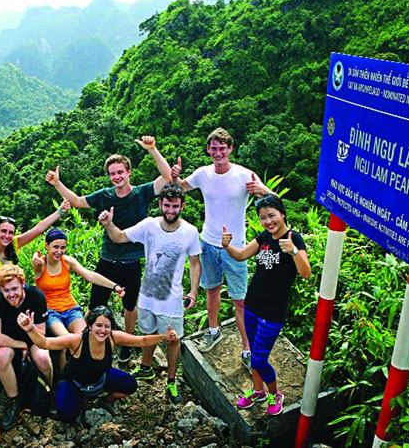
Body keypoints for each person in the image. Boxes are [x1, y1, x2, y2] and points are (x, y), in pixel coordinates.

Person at [46, 135, 173, 362]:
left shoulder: (141, 193)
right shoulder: (104, 196)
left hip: (132, 260)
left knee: (129, 304)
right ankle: (83, 339)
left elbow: (167, 177)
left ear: (129, 172)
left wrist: (152, 149)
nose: (116, 177)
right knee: (96, 304)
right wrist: (57, 184)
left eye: (120, 172)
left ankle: (126, 342)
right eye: (112, 173)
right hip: (107, 259)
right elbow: (76, 200)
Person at [171, 127, 272, 369]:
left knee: (241, 301)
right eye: (214, 148)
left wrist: (262, 190)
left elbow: (274, 203)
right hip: (207, 242)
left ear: (230, 149)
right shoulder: (203, 174)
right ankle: (213, 330)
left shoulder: (245, 175)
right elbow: (180, 188)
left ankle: (248, 350)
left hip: (236, 248)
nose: (218, 153)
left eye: (222, 148)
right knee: (212, 289)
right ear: (208, 149)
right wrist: (174, 176)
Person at [99, 184, 200, 404]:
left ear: (182, 206)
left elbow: (194, 263)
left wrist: (193, 290)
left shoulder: (190, 232)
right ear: (160, 204)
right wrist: (108, 224)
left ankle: (171, 381)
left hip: (172, 299)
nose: (171, 210)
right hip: (147, 295)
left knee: (173, 341)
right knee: (148, 332)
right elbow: (119, 237)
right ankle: (146, 368)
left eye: (175, 206)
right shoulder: (149, 226)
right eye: (167, 205)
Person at [222, 194, 310, 416]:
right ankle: (257, 390)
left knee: (260, 358)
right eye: (263, 217)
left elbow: (306, 273)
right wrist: (226, 246)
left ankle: (274, 393)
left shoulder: (293, 238)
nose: (268, 221)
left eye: (271, 215)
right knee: (254, 354)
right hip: (252, 305)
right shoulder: (264, 237)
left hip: (273, 311)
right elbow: (241, 255)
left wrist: (293, 251)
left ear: (282, 213)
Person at [17, 306, 178, 422]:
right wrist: (30, 328)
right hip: (74, 382)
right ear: (89, 326)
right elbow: (45, 343)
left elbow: (141, 340)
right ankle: (78, 400)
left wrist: (164, 337)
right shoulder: (77, 340)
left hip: (100, 378)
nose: (102, 330)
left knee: (130, 385)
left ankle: (105, 400)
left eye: (107, 326)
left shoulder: (113, 338)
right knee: (67, 414)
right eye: (98, 325)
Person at [31, 228, 125, 369]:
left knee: (84, 339)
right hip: (50, 310)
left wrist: (114, 286)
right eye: (55, 247)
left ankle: (85, 375)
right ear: (47, 246)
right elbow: (37, 268)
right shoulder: (40, 264)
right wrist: (36, 263)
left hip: (70, 308)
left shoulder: (67, 261)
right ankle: (64, 379)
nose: (59, 251)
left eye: (63, 247)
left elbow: (90, 275)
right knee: (68, 341)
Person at [0, 264, 52, 430]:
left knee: (42, 358)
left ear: (23, 284)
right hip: (10, 340)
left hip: (33, 335)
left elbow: (42, 333)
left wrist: (30, 332)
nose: (11, 294)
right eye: (6, 290)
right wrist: (21, 345)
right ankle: (14, 400)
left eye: (14, 288)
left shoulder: (36, 296)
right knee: (1, 356)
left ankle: (48, 392)